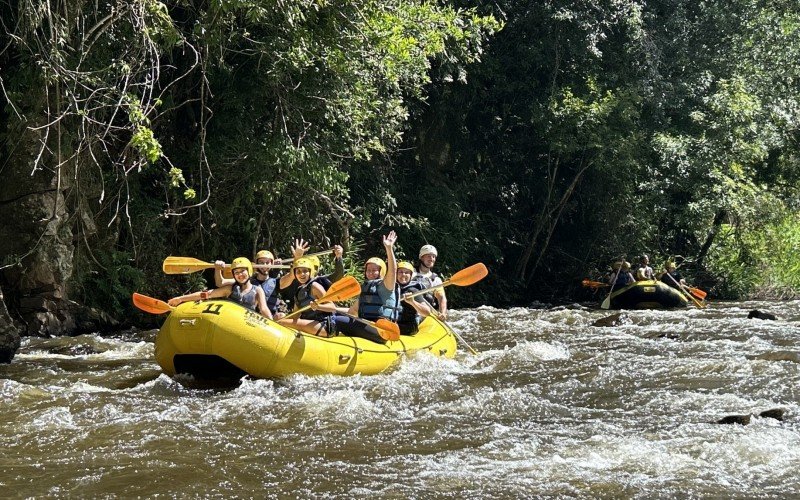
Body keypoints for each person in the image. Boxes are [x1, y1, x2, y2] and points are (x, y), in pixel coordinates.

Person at [168, 257, 272, 319]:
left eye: (242, 271)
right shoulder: (229, 289)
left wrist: (272, 323)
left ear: (249, 271)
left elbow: (264, 309)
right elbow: (205, 294)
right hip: (229, 322)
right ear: (233, 275)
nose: (240, 275)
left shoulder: (258, 290)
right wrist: (181, 299)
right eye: (236, 272)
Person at [215, 249, 285, 319]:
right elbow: (220, 283)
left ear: (271, 264)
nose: (264, 265)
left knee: (281, 316)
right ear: (256, 264)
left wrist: (295, 265)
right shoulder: (246, 279)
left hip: (267, 317)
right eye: (261, 262)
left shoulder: (275, 282)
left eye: (267, 262)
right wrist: (217, 269)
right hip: (251, 318)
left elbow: (292, 276)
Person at [278, 257, 338, 337]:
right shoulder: (298, 291)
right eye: (298, 272)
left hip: (324, 325)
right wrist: (281, 318)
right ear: (295, 274)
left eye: (305, 271)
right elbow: (295, 315)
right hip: (310, 323)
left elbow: (332, 307)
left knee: (282, 322)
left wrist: (318, 306)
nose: (301, 274)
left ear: (310, 272)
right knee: (280, 318)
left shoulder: (315, 286)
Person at [412, 244, 448, 319]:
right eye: (428, 256)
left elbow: (441, 298)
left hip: (426, 313)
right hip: (410, 311)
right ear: (421, 257)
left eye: (433, 256)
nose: (431, 259)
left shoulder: (436, 280)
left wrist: (442, 313)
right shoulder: (410, 273)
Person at [396, 260, 432, 335]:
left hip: (408, 326)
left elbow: (427, 312)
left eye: (406, 273)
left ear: (410, 275)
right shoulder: (390, 288)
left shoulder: (413, 291)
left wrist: (412, 302)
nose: (403, 274)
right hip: (393, 323)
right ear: (396, 274)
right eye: (400, 272)